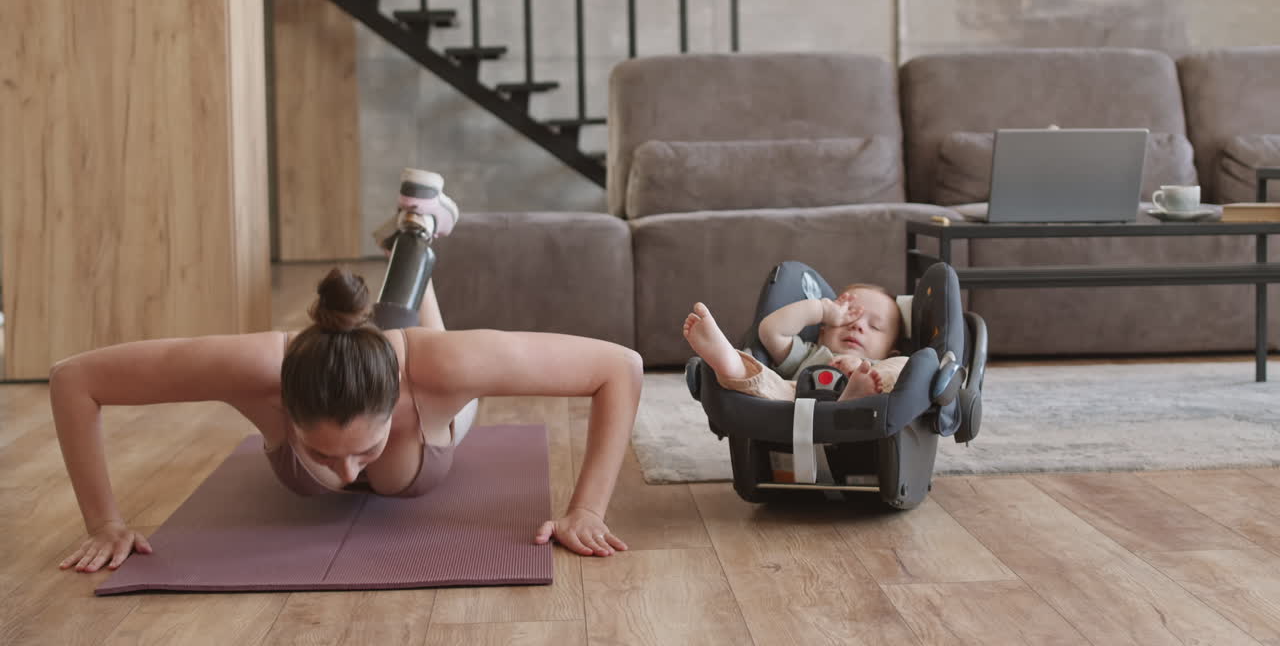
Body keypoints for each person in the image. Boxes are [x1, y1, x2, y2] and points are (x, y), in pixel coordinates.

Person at [52, 197, 641, 576]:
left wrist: (585, 509)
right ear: (285, 405)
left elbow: (620, 367)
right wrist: (103, 522)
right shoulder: (253, 369)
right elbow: (74, 379)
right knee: (411, 364)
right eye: (321, 452)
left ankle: (417, 239)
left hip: (431, 396)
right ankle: (410, 239)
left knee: (430, 350)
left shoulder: (442, 370)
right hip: (389, 377)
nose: (348, 474)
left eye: (366, 447)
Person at [683, 283, 908, 402]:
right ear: (822, 331)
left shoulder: (882, 364)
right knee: (766, 382)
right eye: (847, 317)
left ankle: (856, 395)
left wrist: (864, 368)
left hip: (873, 411)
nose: (857, 326)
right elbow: (770, 331)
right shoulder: (811, 354)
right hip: (794, 406)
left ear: (890, 350)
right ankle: (730, 362)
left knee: (908, 367)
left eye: (875, 326)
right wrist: (822, 309)